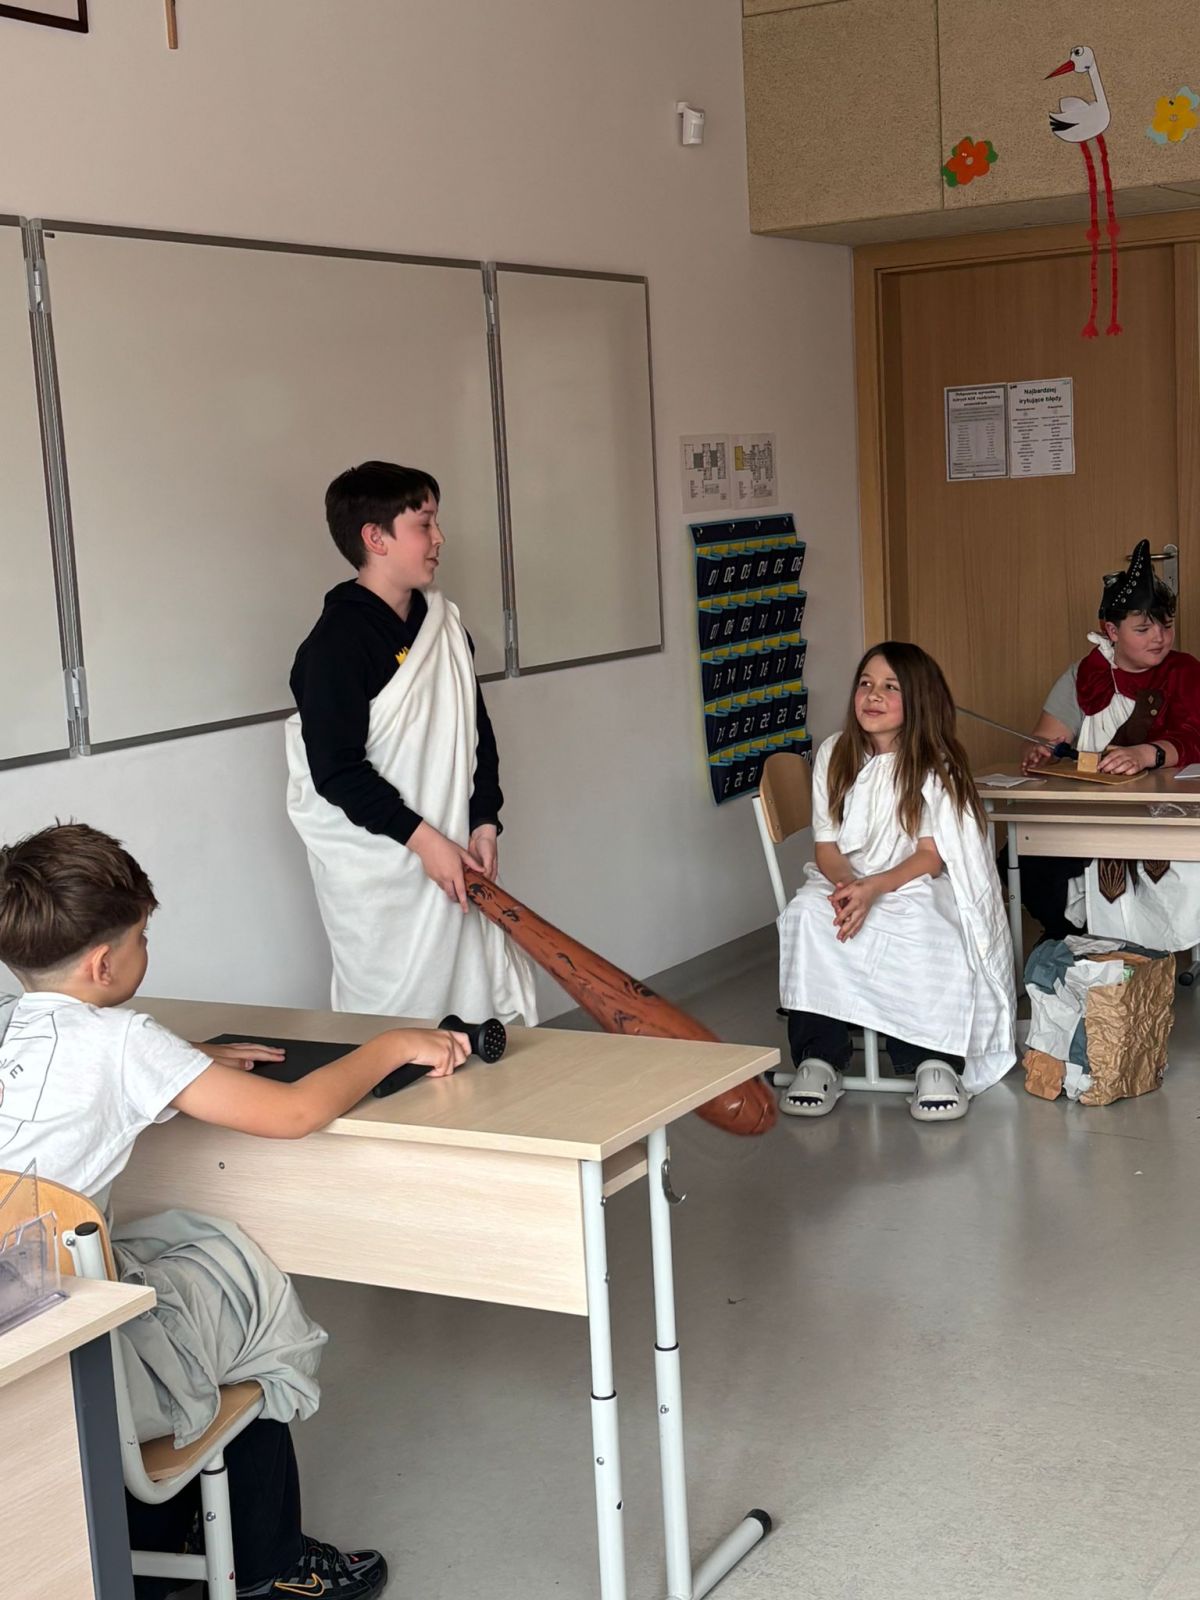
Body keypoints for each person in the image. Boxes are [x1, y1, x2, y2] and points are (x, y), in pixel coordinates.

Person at [0, 822, 471, 1598]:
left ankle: (156, 1541)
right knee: (243, 1282)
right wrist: (392, 1046)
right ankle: (269, 1564)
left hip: (18, 1336)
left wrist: (180, 1064)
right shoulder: (126, 1044)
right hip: (76, 1360)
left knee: (172, 1245)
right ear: (103, 963)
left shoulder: (12, 1023)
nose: (148, 950)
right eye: (143, 937)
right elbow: (293, 1114)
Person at [287, 461, 537, 1025]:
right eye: (424, 524)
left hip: (454, 849)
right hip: (383, 867)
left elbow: (475, 733)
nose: (439, 537)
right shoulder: (335, 645)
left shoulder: (442, 626)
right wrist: (425, 843)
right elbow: (336, 771)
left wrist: (484, 820)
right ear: (375, 538)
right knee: (394, 1024)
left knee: (472, 1011)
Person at [778, 643, 1015, 1121]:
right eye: (866, 683)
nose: (873, 695)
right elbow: (827, 848)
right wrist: (849, 889)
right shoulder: (834, 753)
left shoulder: (933, 763)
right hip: (844, 877)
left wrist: (873, 890)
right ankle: (819, 1057)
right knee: (806, 915)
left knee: (927, 927)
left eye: (890, 687)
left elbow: (930, 857)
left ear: (919, 699)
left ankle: (931, 1059)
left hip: (911, 880)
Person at [1014, 539, 1200, 948]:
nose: (1159, 637)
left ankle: (1144, 950)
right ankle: (1076, 940)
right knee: (1024, 857)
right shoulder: (1086, 674)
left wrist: (1146, 754)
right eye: (1143, 628)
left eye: (1166, 625)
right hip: (1093, 812)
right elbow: (1046, 738)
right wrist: (1040, 751)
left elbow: (1195, 737)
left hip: (1166, 814)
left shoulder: (1185, 671)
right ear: (1111, 631)